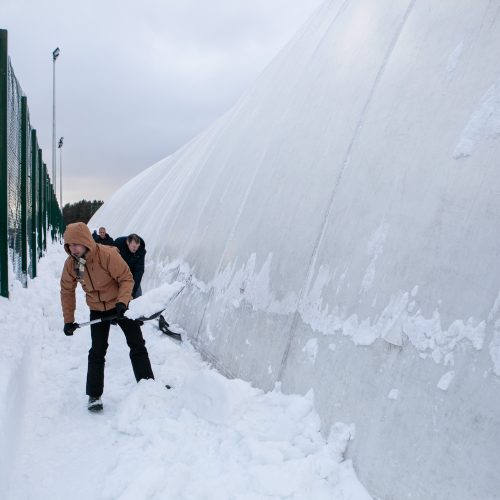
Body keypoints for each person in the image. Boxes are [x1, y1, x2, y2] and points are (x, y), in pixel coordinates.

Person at [60, 222, 154, 412]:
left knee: (137, 344)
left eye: (76, 244)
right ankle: (94, 395)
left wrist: (123, 301)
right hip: (96, 308)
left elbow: (127, 278)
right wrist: (68, 320)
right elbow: (67, 290)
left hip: (120, 305)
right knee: (97, 351)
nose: (73, 249)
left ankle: (149, 388)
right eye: (69, 245)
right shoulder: (72, 264)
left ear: (86, 241)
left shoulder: (107, 255)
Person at [113, 233, 146, 299]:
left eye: (137, 246)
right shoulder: (118, 244)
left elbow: (139, 271)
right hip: (117, 274)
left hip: (131, 275)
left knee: (137, 295)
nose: (135, 249)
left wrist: (133, 291)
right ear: (128, 243)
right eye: (133, 246)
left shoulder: (141, 251)